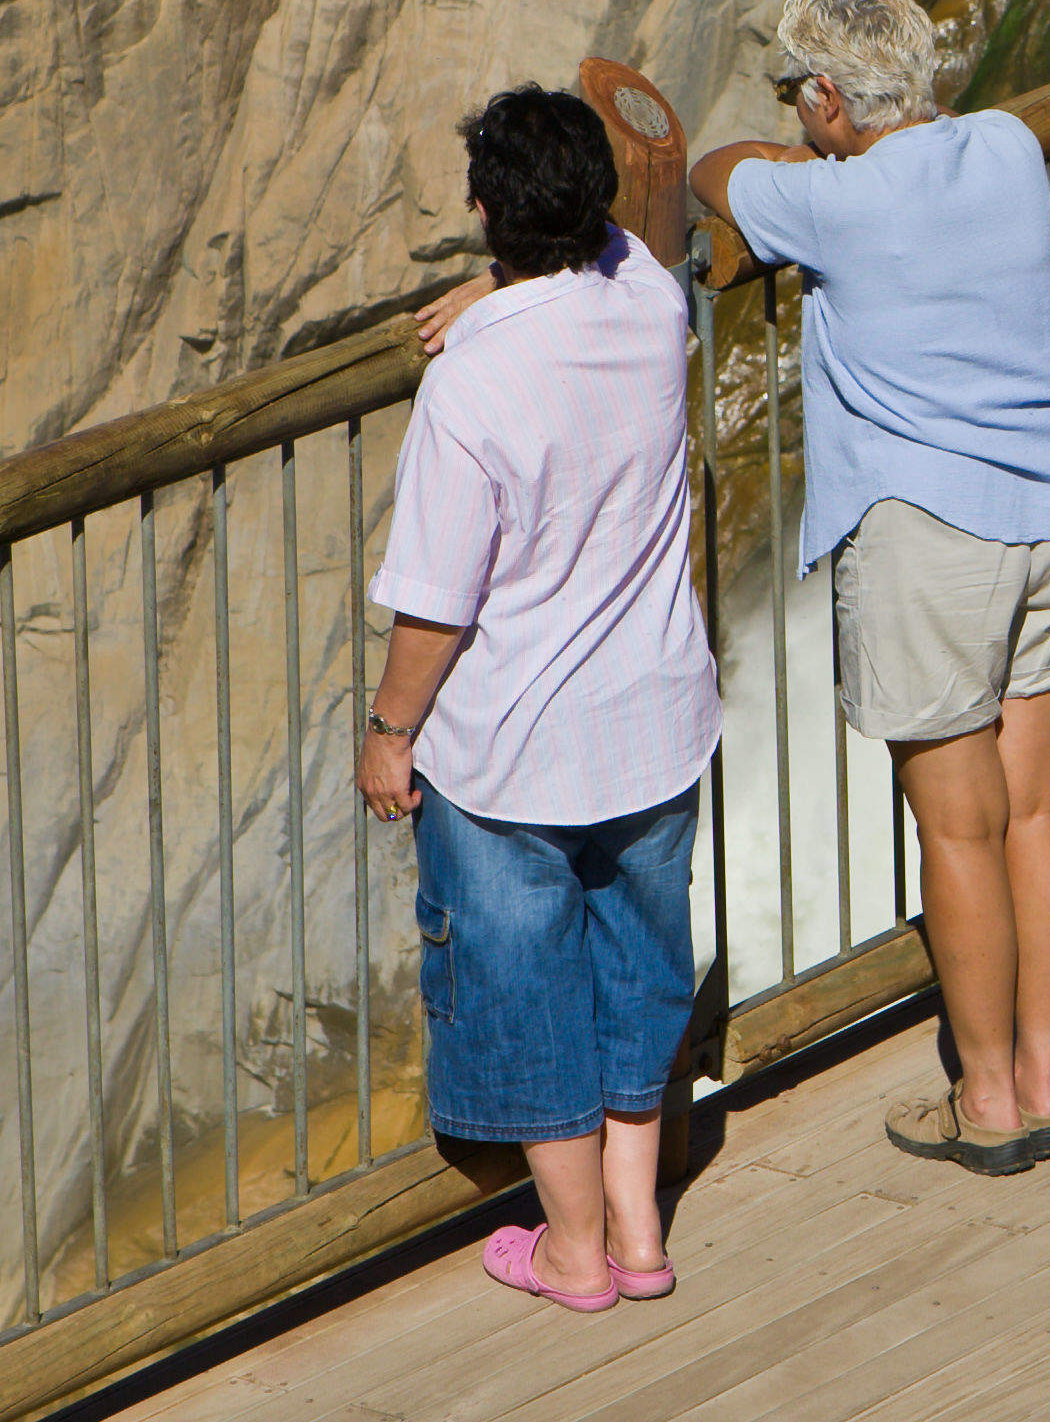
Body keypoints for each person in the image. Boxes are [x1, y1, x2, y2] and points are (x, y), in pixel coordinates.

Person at [691, 0, 1050, 1176]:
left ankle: (984, 1101)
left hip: (931, 538)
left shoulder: (831, 203)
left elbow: (714, 173)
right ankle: (1043, 1079)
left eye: (794, 94)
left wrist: (777, 157)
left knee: (958, 830)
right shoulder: (1005, 146)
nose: (789, 114)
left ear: (826, 95)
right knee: (1038, 805)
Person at [360, 86, 716, 1314]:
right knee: (635, 967)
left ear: (480, 213)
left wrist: (390, 733)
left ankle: (573, 1252)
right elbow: (600, 264)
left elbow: (437, 604)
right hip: (658, 724)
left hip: (513, 753)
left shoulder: (468, 390)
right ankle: (639, 1226)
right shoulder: (654, 304)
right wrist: (513, 288)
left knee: (524, 996)